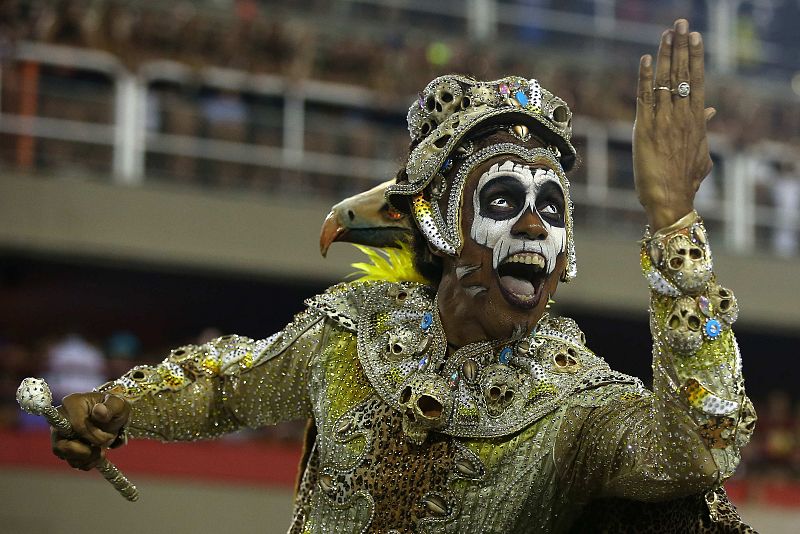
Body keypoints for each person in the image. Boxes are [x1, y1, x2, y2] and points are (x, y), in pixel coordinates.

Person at [49, 20, 756, 533]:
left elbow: (698, 449)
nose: (536, 227)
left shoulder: (577, 405)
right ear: (443, 225)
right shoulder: (355, 330)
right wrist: (120, 405)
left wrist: (673, 221)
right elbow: (228, 384)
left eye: (551, 207)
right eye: (505, 200)